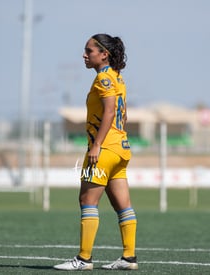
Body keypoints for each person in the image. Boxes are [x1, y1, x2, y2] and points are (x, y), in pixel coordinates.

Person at [54, 33, 138, 271]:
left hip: (105, 149)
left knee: (87, 200)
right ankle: (129, 258)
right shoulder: (117, 77)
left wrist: (97, 144)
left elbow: (110, 112)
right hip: (121, 149)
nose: (84, 54)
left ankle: (83, 259)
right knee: (123, 205)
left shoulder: (103, 79)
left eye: (89, 51)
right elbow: (123, 114)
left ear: (104, 54)